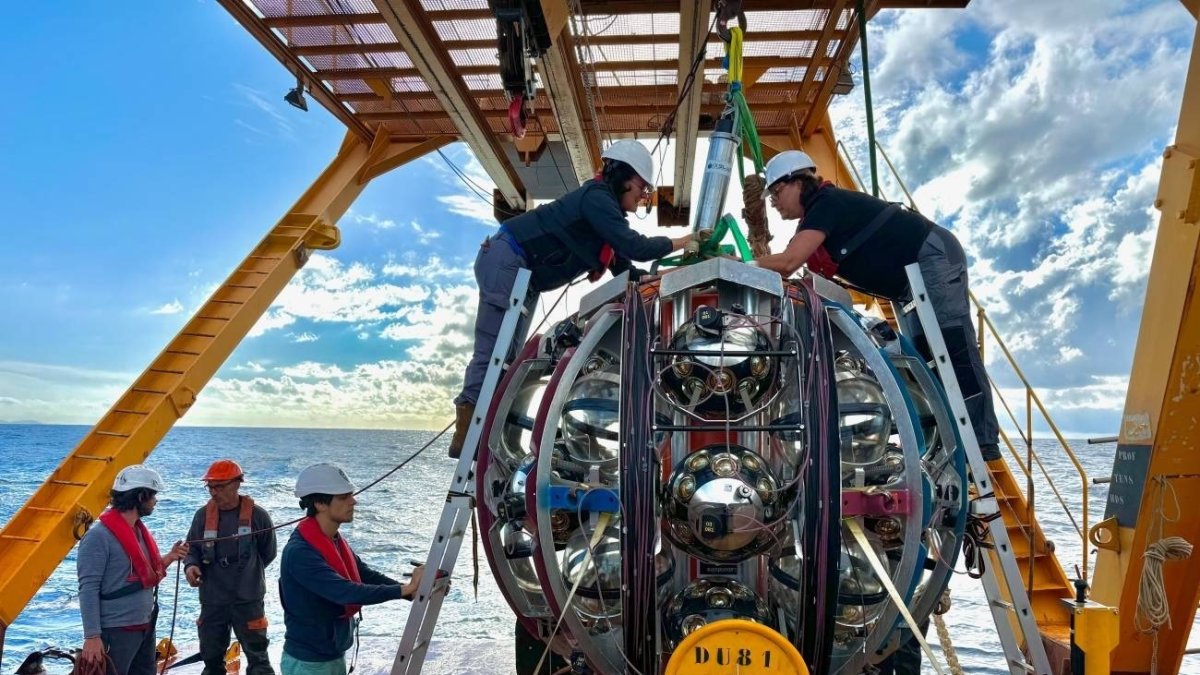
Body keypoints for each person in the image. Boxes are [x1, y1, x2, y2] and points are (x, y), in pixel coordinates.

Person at [449, 140, 702, 457]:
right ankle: (466, 433)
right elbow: (635, 246)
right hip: (508, 258)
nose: (643, 194)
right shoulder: (596, 200)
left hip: (524, 277)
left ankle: (490, 434)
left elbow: (627, 270)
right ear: (622, 175)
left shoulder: (604, 221)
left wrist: (668, 278)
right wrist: (684, 241)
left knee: (510, 358)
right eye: (641, 185)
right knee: (493, 350)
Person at [755, 150, 1001, 462]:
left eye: (776, 193)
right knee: (923, 360)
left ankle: (981, 439)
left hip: (931, 257)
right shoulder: (816, 217)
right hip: (904, 284)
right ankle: (948, 440)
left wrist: (740, 264)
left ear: (799, 182)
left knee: (951, 347)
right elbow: (797, 265)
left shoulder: (825, 204)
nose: (774, 202)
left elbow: (788, 262)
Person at [279, 463, 424, 675]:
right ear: (320, 503)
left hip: (331, 654)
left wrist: (410, 592)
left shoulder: (332, 540)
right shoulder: (300, 552)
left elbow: (364, 574)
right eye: (344, 497)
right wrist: (404, 590)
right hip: (308, 663)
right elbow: (345, 592)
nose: (353, 501)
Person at [76, 465, 189, 675]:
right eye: (152, 495)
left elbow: (142, 576)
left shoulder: (137, 531)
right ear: (140, 496)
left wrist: (170, 558)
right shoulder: (98, 537)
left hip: (145, 627)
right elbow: (88, 588)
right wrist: (92, 636)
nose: (155, 500)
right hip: (116, 632)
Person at [183, 460, 277, 675]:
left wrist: (247, 573)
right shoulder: (202, 516)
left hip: (248, 601)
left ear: (237, 484)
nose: (214, 493)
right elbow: (192, 550)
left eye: (220, 486)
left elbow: (268, 553)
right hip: (213, 601)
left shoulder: (258, 516)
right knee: (212, 659)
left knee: (258, 660)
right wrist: (191, 567)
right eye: (210, 487)